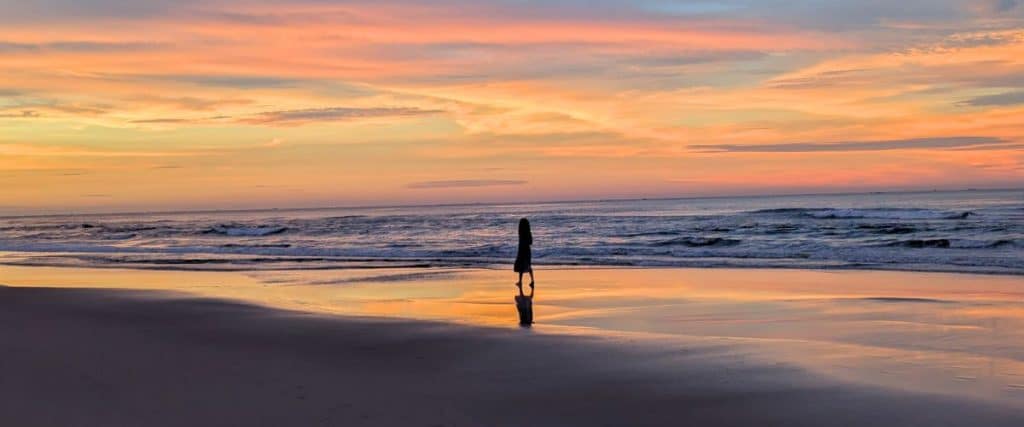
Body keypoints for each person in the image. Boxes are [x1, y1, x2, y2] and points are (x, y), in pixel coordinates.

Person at [513, 218, 534, 287]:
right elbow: (531, 242)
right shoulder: (529, 233)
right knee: (528, 265)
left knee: (521, 266)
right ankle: (532, 281)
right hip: (528, 250)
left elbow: (520, 243)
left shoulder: (521, 233)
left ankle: (520, 281)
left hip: (522, 250)